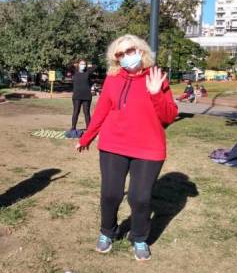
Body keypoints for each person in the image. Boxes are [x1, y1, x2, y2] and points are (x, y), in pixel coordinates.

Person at [75, 34, 177, 261]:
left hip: (149, 148)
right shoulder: (112, 79)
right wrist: (87, 137)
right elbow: (101, 111)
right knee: (110, 194)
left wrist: (156, 94)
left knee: (140, 198)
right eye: (119, 54)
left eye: (128, 51)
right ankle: (106, 232)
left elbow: (169, 117)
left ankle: (139, 238)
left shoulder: (157, 77)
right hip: (113, 145)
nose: (124, 57)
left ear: (141, 50)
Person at [71, 59, 93, 130]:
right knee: (76, 112)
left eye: (84, 64)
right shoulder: (75, 71)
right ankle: (73, 128)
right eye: (81, 64)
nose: (82, 66)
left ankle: (89, 129)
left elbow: (95, 67)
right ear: (78, 65)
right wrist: (75, 64)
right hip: (77, 96)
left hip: (86, 96)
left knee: (86, 113)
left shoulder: (87, 72)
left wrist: (88, 66)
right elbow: (68, 66)